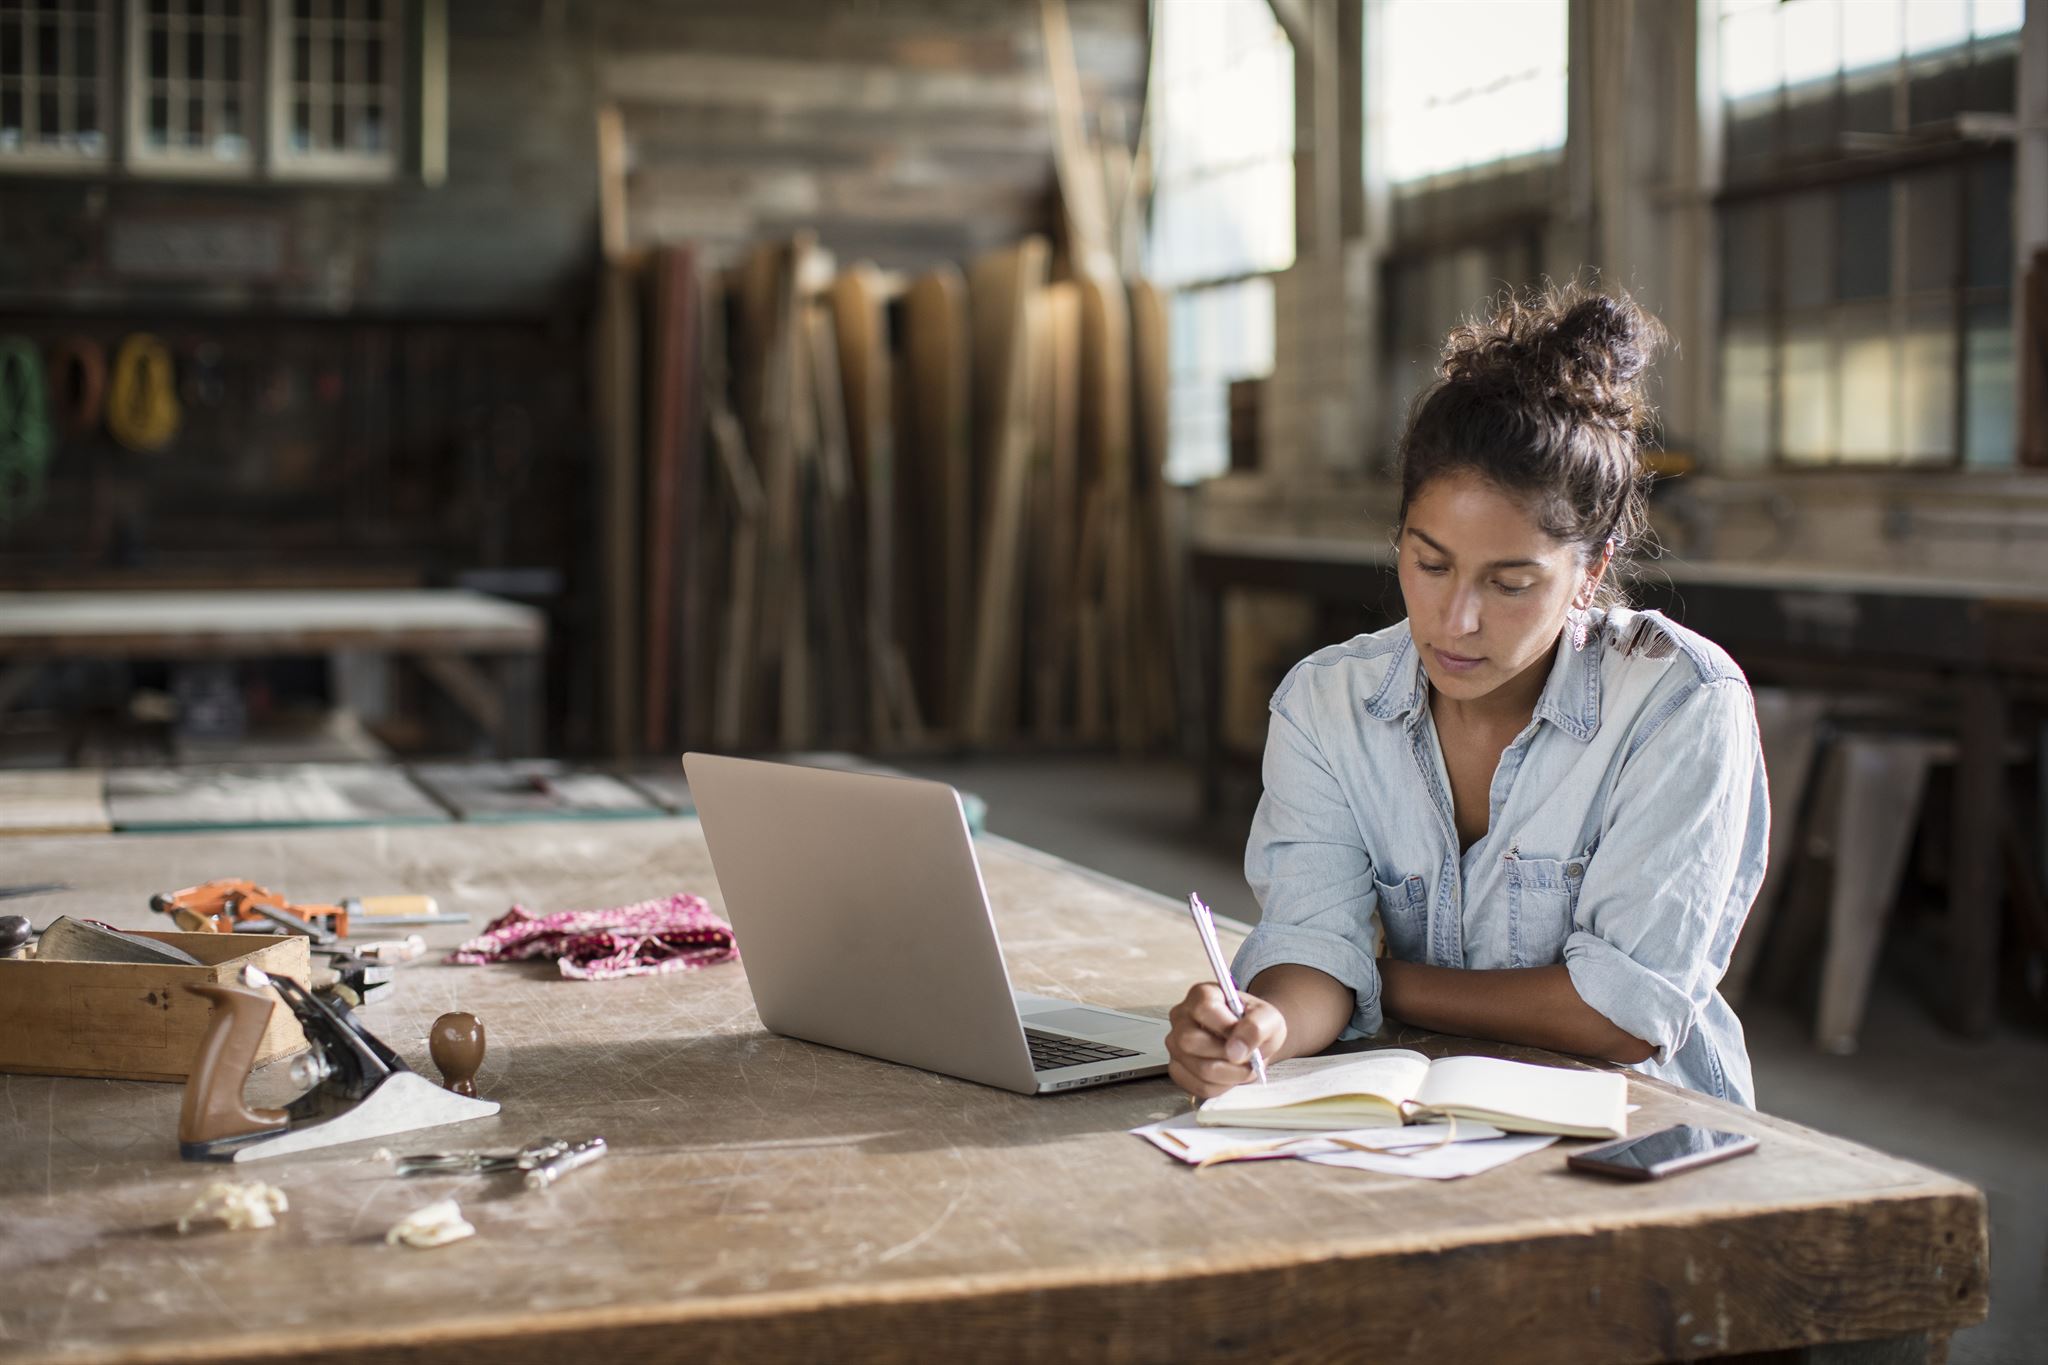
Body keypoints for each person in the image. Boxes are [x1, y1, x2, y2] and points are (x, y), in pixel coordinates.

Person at [1167, 287, 1767, 1107]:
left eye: (1511, 582)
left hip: (1636, 1127)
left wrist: (1374, 981)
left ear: (1590, 571)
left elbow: (1622, 1016)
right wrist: (1264, 1025)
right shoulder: (1326, 705)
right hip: (1422, 1118)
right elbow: (1313, 944)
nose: (1456, 619)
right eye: (1431, 563)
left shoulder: (1681, 704)